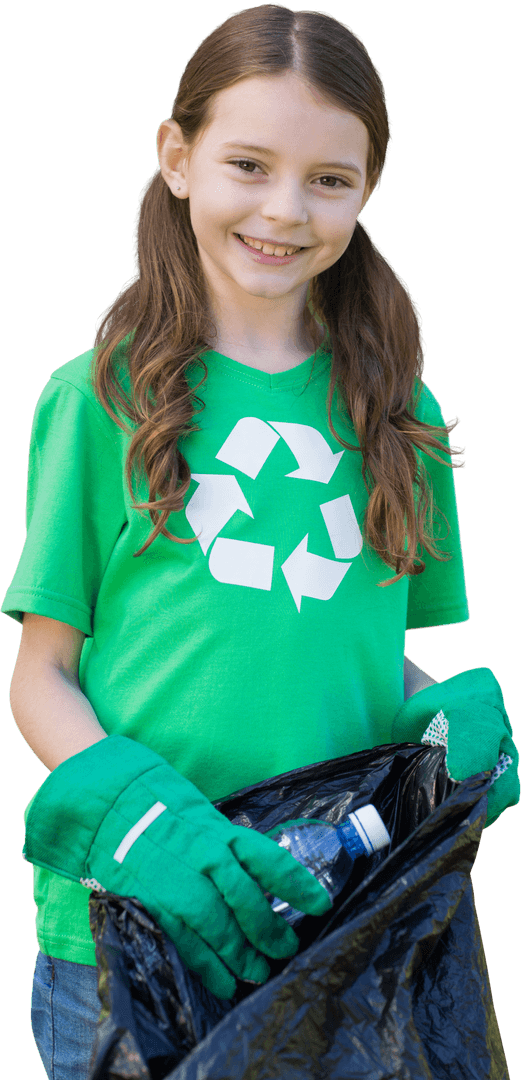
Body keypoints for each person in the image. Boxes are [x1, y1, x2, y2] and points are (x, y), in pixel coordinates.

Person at [1, 6, 482, 1079]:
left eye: (327, 179)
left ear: (367, 190)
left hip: (340, 917)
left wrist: (440, 728)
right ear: (176, 160)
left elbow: (359, 653)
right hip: (131, 932)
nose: (282, 209)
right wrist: (139, 819)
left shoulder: (402, 414)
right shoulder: (97, 401)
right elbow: (42, 674)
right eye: (248, 164)